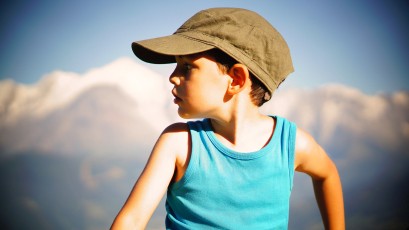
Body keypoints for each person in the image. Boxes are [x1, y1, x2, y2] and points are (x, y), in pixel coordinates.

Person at [111, 7, 344, 230]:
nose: (173, 77)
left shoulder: (291, 144)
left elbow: (327, 174)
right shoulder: (179, 142)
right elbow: (132, 220)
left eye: (187, 66)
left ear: (235, 79)